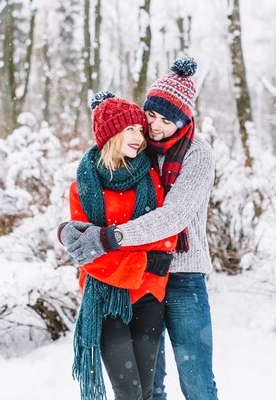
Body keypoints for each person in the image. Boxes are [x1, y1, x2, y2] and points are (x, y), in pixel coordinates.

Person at [61, 56, 219, 400]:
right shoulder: (140, 148)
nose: (156, 127)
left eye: (167, 120)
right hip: (138, 279)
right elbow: (107, 165)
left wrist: (111, 238)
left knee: (196, 380)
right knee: (149, 386)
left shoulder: (196, 154)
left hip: (183, 276)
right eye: (151, 116)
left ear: (184, 120)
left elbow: (172, 217)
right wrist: (69, 230)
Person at [58, 92, 177, 400]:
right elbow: (88, 255)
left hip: (149, 295)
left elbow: (163, 237)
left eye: (140, 129)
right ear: (111, 133)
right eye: (130, 129)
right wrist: (142, 262)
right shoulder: (82, 188)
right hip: (106, 301)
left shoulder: (151, 180)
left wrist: (111, 244)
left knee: (148, 391)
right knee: (128, 392)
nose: (140, 137)